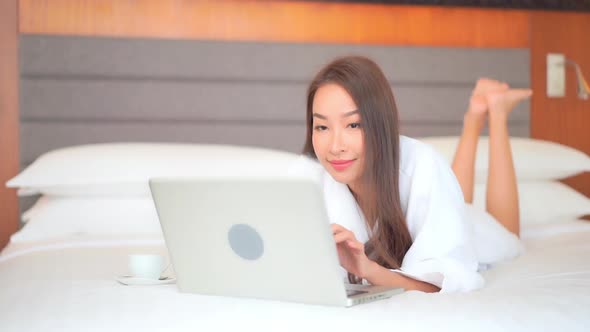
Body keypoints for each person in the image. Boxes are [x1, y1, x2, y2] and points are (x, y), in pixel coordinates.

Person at [294, 56, 532, 293]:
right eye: (322, 127)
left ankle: (496, 114)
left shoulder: (422, 164)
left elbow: (440, 282)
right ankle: (476, 113)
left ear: (380, 123)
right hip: (442, 204)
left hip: (467, 226)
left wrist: (367, 269)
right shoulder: (307, 178)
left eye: (354, 125)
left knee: (509, 236)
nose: (335, 147)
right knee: (458, 197)